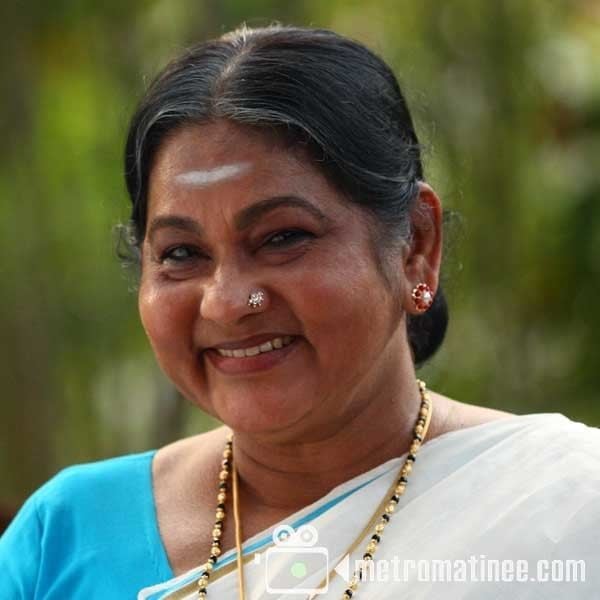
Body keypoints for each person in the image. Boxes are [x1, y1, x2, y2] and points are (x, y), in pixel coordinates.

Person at [1, 24, 599, 600]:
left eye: (283, 238)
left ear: (416, 244)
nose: (228, 302)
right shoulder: (67, 538)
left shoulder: (568, 506)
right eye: (182, 254)